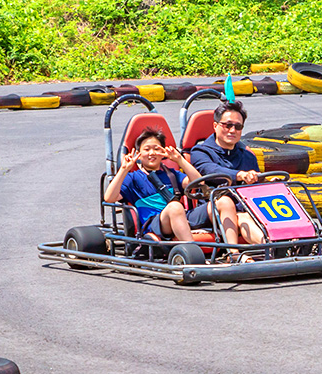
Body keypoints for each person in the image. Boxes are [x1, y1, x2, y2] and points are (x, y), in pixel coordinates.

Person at [104, 127, 251, 260]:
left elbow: (199, 182)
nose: (152, 153)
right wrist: (123, 169)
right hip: (155, 223)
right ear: (138, 154)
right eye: (147, 149)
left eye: (156, 149)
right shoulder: (133, 178)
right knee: (175, 206)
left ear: (163, 152)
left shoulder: (172, 174)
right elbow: (109, 198)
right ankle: (194, 255)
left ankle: (234, 253)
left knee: (224, 201)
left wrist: (180, 160)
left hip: (182, 216)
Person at [189, 100, 263, 243]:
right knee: (233, 209)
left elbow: (256, 187)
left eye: (238, 126)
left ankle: (288, 244)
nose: (232, 130)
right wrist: (240, 175)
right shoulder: (200, 152)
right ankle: (235, 254)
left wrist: (269, 182)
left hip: (242, 208)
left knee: (244, 215)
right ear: (215, 126)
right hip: (210, 207)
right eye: (227, 125)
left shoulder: (247, 155)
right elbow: (211, 171)